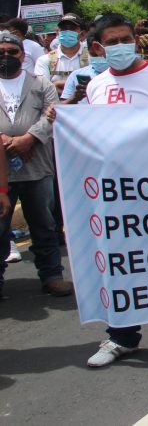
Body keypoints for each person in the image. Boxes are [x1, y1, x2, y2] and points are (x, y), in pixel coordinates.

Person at [70, 14, 148, 369]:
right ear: (99, 48)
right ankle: (121, 336)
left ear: (136, 40)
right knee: (120, 264)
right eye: (112, 42)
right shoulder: (96, 86)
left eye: (125, 39)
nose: (120, 46)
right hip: (114, 192)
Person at [0, 31, 70, 301]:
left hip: (36, 166)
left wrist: (28, 139)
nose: (7, 56)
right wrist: (5, 140)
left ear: (23, 55)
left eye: (12, 52)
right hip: (1, 171)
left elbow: (53, 114)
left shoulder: (41, 83)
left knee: (44, 224)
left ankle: (52, 276)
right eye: (1, 52)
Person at [35, 13, 87, 93]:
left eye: (72, 29)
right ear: (58, 33)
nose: (67, 32)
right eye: (64, 28)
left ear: (82, 34)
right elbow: (43, 89)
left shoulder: (92, 58)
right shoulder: (45, 60)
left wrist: (56, 85)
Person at [60, 30, 108, 105]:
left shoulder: (122, 73)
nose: (99, 57)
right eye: (94, 54)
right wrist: (75, 98)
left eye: (101, 53)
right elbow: (62, 106)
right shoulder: (76, 75)